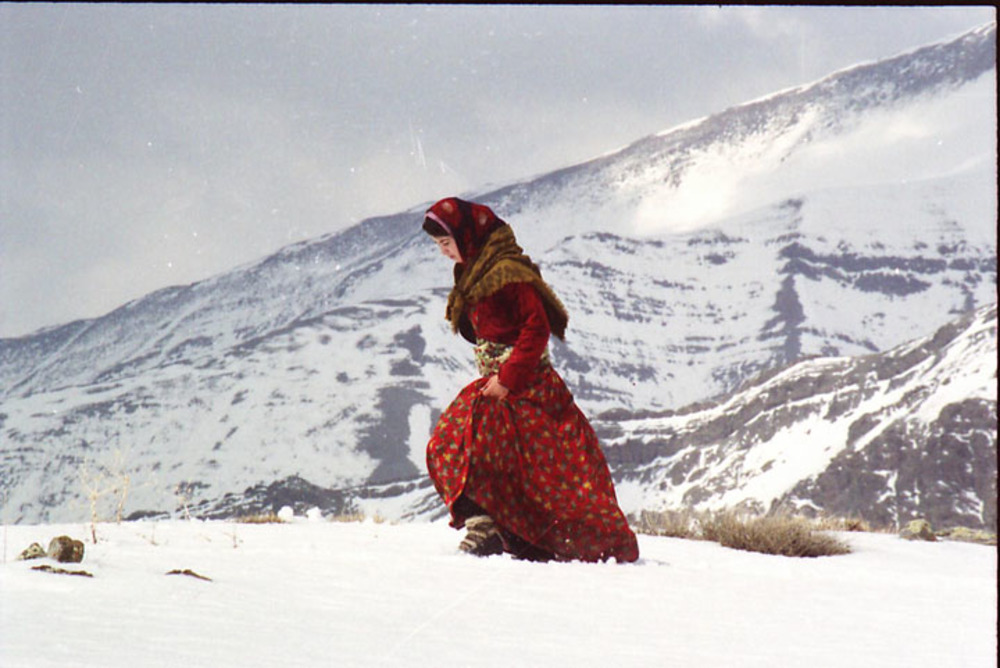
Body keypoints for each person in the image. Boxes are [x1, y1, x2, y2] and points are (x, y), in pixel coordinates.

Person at [422, 196, 639, 563]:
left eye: (446, 243)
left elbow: (536, 326)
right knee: (455, 445)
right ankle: (492, 528)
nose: (444, 253)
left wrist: (508, 378)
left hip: (525, 387)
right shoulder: (473, 271)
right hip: (499, 384)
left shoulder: (508, 273)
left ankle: (504, 533)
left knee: (542, 472)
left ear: (466, 236)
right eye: (439, 246)